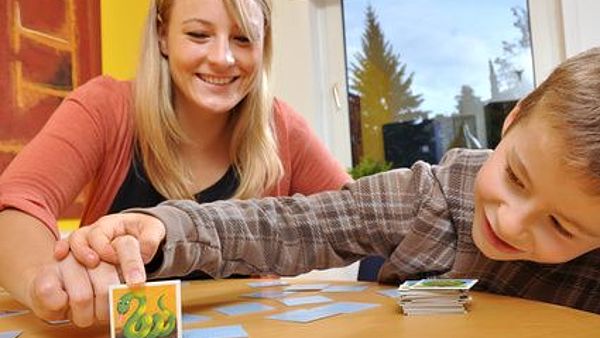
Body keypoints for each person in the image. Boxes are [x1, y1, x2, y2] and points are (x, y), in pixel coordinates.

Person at [61, 47, 600, 315]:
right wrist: (165, 228)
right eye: (514, 176)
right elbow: (294, 224)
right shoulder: (433, 195)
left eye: (561, 225)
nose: (511, 220)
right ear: (513, 118)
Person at [0, 0, 350, 328]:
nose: (223, 57)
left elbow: (357, 216)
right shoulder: (105, 108)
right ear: (162, 35)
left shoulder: (282, 128)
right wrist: (41, 279)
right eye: (198, 34)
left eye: (243, 38)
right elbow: (17, 202)